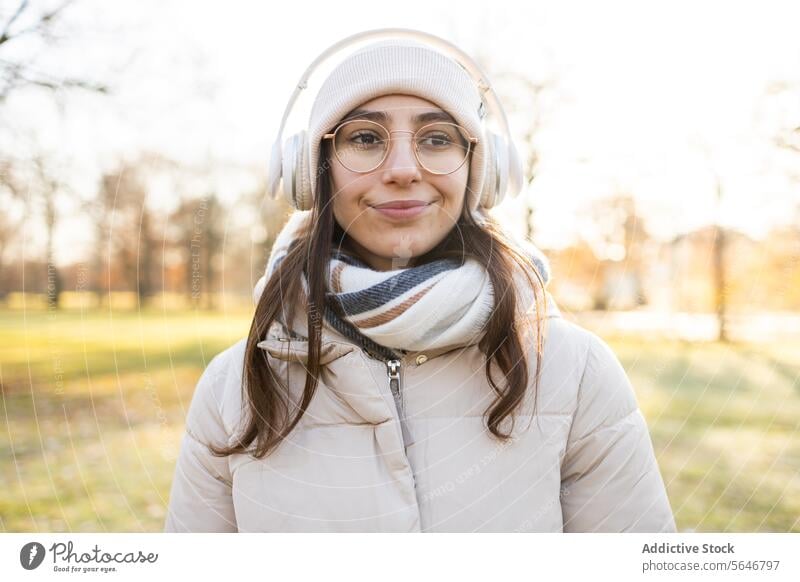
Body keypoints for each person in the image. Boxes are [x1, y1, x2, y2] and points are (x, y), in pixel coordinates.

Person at [163, 29, 676, 533]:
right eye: (365, 138)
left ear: (482, 170)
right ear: (311, 170)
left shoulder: (574, 371)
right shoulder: (235, 389)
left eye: (436, 138)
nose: (404, 169)